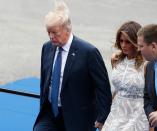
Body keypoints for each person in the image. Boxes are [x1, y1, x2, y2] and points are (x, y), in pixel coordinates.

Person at [33, 1, 112, 131]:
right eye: (49, 32)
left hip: (78, 118)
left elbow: (103, 88)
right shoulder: (47, 47)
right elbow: (44, 82)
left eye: (55, 32)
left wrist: (102, 117)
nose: (51, 37)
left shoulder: (89, 52)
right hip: (50, 115)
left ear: (67, 29)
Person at [102, 21, 149, 131]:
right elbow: (116, 90)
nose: (123, 45)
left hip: (137, 116)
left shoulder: (147, 64)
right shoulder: (116, 59)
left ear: (136, 42)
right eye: (121, 41)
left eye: (128, 42)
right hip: (116, 113)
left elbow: (152, 95)